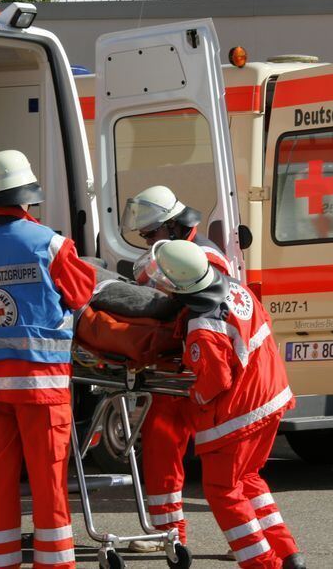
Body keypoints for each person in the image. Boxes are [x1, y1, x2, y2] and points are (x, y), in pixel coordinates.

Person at [0, 150, 95, 569]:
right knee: (47, 484)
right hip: (40, 387)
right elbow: (82, 293)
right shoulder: (49, 243)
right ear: (26, 198)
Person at [143, 239, 305, 569]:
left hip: (239, 413)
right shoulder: (234, 288)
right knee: (248, 479)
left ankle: (263, 564)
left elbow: (216, 382)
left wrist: (194, 397)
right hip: (271, 396)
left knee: (222, 490)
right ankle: (288, 553)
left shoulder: (202, 325)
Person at [121, 186, 233, 552]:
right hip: (181, 364)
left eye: (151, 234)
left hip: (205, 367)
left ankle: (246, 535)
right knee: (161, 443)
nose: (147, 242)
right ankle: (169, 533)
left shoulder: (205, 258)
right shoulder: (179, 251)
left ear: (171, 226)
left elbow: (193, 308)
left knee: (227, 465)